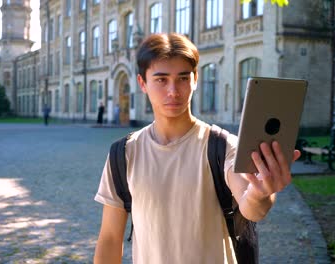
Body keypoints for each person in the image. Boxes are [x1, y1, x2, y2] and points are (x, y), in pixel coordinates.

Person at [93, 33, 301, 263]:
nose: (173, 91)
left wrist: (261, 193)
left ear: (195, 79)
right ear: (142, 83)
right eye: (161, 80)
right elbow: (111, 239)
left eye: (183, 78)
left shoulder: (223, 146)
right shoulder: (123, 154)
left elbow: (252, 208)